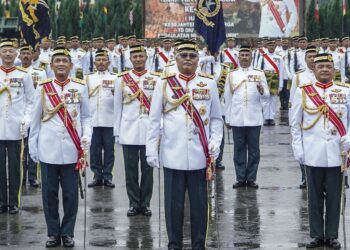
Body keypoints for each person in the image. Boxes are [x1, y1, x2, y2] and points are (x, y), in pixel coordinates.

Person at [146, 40, 223, 249]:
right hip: (173, 155)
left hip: (200, 156)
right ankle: (174, 244)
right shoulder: (163, 83)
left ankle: (199, 245)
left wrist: (215, 142)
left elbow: (216, 118)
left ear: (198, 59)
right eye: (183, 55)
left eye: (192, 55)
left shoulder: (208, 83)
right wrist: (150, 150)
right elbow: (154, 119)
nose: (188, 59)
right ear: (175, 58)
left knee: (200, 207)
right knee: (173, 207)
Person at [29, 47, 92, 248]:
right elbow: (36, 119)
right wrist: (33, 146)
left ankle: (67, 233)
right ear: (52, 65)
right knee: (49, 195)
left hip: (72, 151)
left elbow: (86, 117)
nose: (61, 64)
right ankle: (53, 233)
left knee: (71, 195)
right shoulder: (43, 87)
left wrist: (86, 136)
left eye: (65, 60)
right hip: (48, 149)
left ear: (71, 65)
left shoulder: (80, 87)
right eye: (57, 61)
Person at [290, 53, 349, 249]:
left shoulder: (345, 90)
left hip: (336, 153)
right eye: (320, 66)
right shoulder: (303, 92)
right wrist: (298, 148)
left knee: (334, 197)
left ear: (334, 69)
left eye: (328, 66)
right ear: (314, 70)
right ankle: (316, 234)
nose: (324, 69)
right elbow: (295, 123)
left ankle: (331, 235)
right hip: (312, 153)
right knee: (314, 198)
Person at [114, 45, 161, 216]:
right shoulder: (122, 79)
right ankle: (134, 202)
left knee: (148, 170)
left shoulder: (156, 78)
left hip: (149, 130)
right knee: (131, 171)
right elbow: (117, 107)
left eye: (141, 56)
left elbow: (159, 107)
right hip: (129, 130)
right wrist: (117, 131)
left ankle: (145, 203)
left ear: (146, 57)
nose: (138, 59)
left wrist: (160, 128)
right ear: (130, 59)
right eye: (135, 57)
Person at [225, 45, 269, 188]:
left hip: (254, 117)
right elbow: (227, 97)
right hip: (237, 117)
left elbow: (267, 95)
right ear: (238, 57)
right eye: (242, 55)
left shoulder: (259, 73)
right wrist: (227, 118)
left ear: (251, 57)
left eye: (247, 55)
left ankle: (251, 178)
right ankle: (240, 177)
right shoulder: (232, 74)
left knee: (254, 150)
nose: (244, 57)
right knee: (239, 149)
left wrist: (262, 91)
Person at [0, 39, 34, 214]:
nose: (7, 54)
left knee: (15, 167)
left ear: (16, 54)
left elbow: (31, 101)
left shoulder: (23, 75)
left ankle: (13, 201)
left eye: (10, 51)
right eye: (4, 50)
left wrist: (26, 119)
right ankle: (1, 202)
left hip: (16, 128)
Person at [86, 49, 117, 188]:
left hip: (109, 119)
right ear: (94, 62)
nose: (101, 62)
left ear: (109, 62)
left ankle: (107, 176)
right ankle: (97, 175)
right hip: (93, 120)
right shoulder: (88, 78)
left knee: (109, 150)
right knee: (94, 150)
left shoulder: (115, 78)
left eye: (104, 60)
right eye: (98, 60)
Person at [19, 44, 47, 188]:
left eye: (28, 53)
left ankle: (33, 176)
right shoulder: (15, 72)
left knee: (33, 145)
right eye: (23, 53)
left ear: (33, 55)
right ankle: (21, 176)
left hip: (34, 113)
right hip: (18, 114)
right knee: (20, 148)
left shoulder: (40, 72)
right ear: (19, 56)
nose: (25, 56)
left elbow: (44, 93)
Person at [289, 45, 317, 189]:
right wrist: (292, 120)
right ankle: (305, 177)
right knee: (303, 149)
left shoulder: (323, 74)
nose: (312, 59)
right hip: (304, 118)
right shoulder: (298, 76)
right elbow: (293, 101)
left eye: (314, 56)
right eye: (309, 57)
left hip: (318, 118)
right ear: (305, 59)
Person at [257, 39, 284, 125]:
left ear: (275, 46)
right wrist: (258, 82)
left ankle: (271, 118)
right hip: (265, 78)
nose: (271, 47)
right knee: (265, 98)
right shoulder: (262, 57)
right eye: (270, 45)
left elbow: (282, 72)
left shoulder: (279, 57)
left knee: (273, 99)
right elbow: (258, 70)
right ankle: (266, 117)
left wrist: (281, 86)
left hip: (275, 79)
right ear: (267, 46)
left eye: (273, 46)